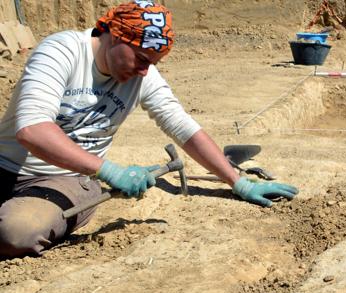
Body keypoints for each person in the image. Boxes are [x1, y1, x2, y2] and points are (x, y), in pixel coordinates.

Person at [0, 0, 298, 258]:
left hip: (62, 180)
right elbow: (32, 130)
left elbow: (183, 128)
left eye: (152, 63)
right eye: (141, 59)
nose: (145, 71)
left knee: (17, 232)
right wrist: (110, 171)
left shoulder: (143, 76)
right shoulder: (61, 52)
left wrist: (238, 182)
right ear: (116, 36)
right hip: (4, 165)